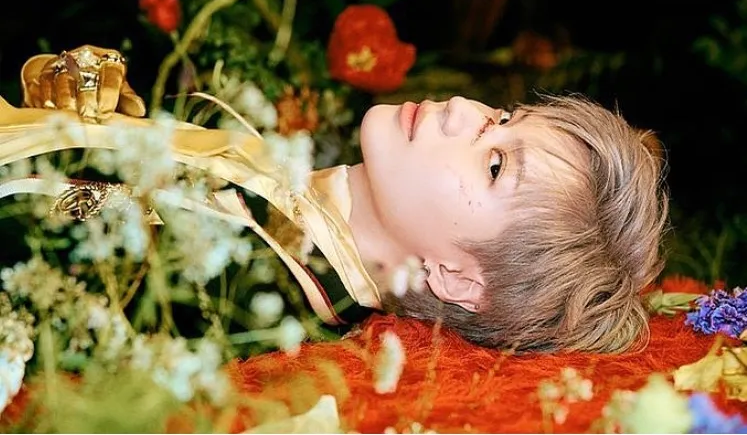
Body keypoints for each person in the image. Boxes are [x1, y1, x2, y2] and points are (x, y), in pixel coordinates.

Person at [0, 45, 668, 354]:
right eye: (502, 116)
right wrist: (74, 115)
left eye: (495, 164)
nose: (462, 108)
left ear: (460, 279)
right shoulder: (283, 214)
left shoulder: (242, 287)